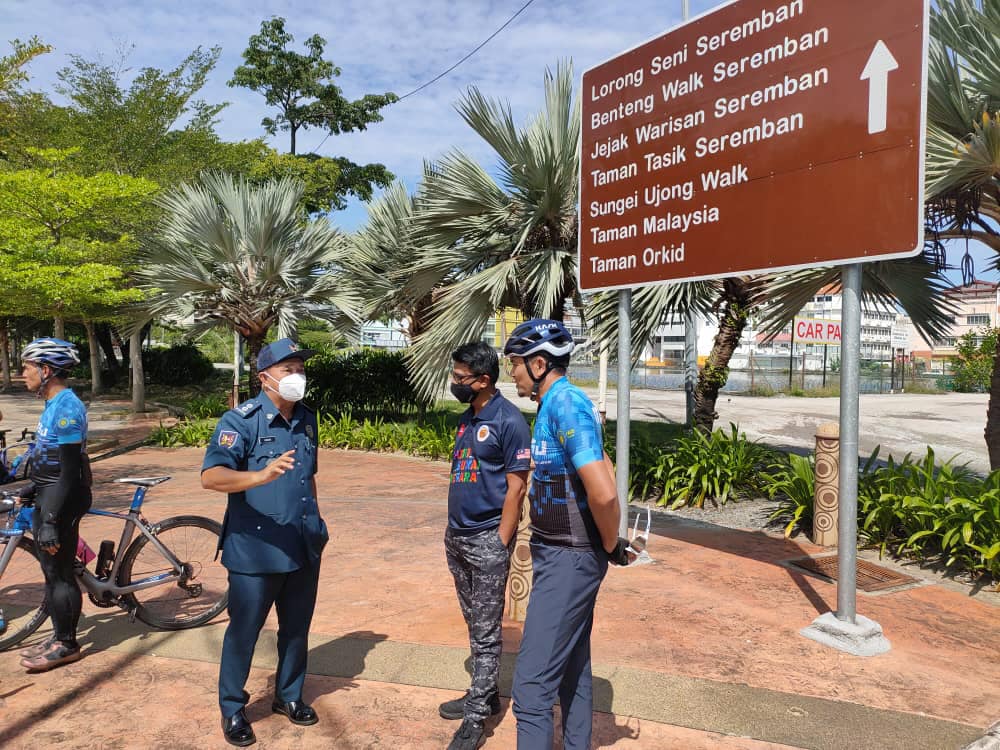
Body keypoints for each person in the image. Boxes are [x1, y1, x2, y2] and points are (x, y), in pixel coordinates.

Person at [503, 319, 634, 750]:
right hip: (559, 555)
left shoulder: (567, 405)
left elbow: (603, 490)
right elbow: (601, 470)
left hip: (570, 557)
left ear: (539, 364)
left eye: (517, 365)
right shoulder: (554, 404)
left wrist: (611, 544)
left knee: (531, 687)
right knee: (573, 666)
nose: (513, 373)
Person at [202, 338, 328, 748]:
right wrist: (259, 476)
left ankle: (289, 696)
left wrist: (317, 524)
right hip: (255, 550)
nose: (298, 377)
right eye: (289, 369)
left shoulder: (307, 418)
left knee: (296, 628)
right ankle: (233, 708)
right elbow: (212, 477)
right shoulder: (240, 421)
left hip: (302, 543)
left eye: (301, 370)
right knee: (245, 631)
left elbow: (307, 476)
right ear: (265, 377)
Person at [439, 342, 531, 750]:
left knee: (487, 631)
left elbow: (517, 487)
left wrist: (500, 542)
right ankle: (486, 693)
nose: (455, 383)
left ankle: (477, 718)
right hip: (456, 538)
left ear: (484, 381)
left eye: (461, 378)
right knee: (473, 622)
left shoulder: (508, 421)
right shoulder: (467, 418)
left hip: (486, 540)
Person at [15, 338, 92, 672]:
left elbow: (70, 471)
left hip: (64, 496)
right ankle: (61, 633)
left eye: (27, 368)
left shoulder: (67, 409)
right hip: (50, 492)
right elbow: (50, 462)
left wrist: (50, 519)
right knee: (52, 572)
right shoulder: (52, 404)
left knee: (60, 574)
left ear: (45, 370)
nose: (22, 374)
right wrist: (32, 487)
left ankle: (68, 644)